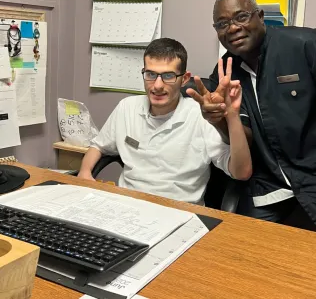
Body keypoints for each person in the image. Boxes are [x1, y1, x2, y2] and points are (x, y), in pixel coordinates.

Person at [188, 0, 316, 240]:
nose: (232, 28)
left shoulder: (308, 45)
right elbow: (245, 138)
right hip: (270, 176)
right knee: (241, 242)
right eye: (222, 23)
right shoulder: (226, 71)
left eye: (241, 17)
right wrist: (220, 119)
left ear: (261, 16)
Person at [78, 38, 252, 205]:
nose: (157, 85)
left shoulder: (201, 115)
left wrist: (232, 115)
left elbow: (242, 172)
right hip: (127, 205)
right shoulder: (127, 108)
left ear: (184, 79)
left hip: (180, 211)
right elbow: (98, 146)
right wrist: (85, 172)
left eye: (168, 76)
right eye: (151, 74)